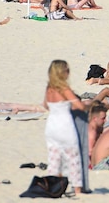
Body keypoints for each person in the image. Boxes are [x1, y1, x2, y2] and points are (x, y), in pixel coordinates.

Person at [44, 60, 85, 195]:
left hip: (51, 126)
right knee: (73, 158)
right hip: (65, 126)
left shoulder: (49, 88)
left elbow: (45, 105)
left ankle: (53, 187)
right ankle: (77, 189)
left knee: (54, 158)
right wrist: (88, 105)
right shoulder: (64, 89)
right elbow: (80, 106)